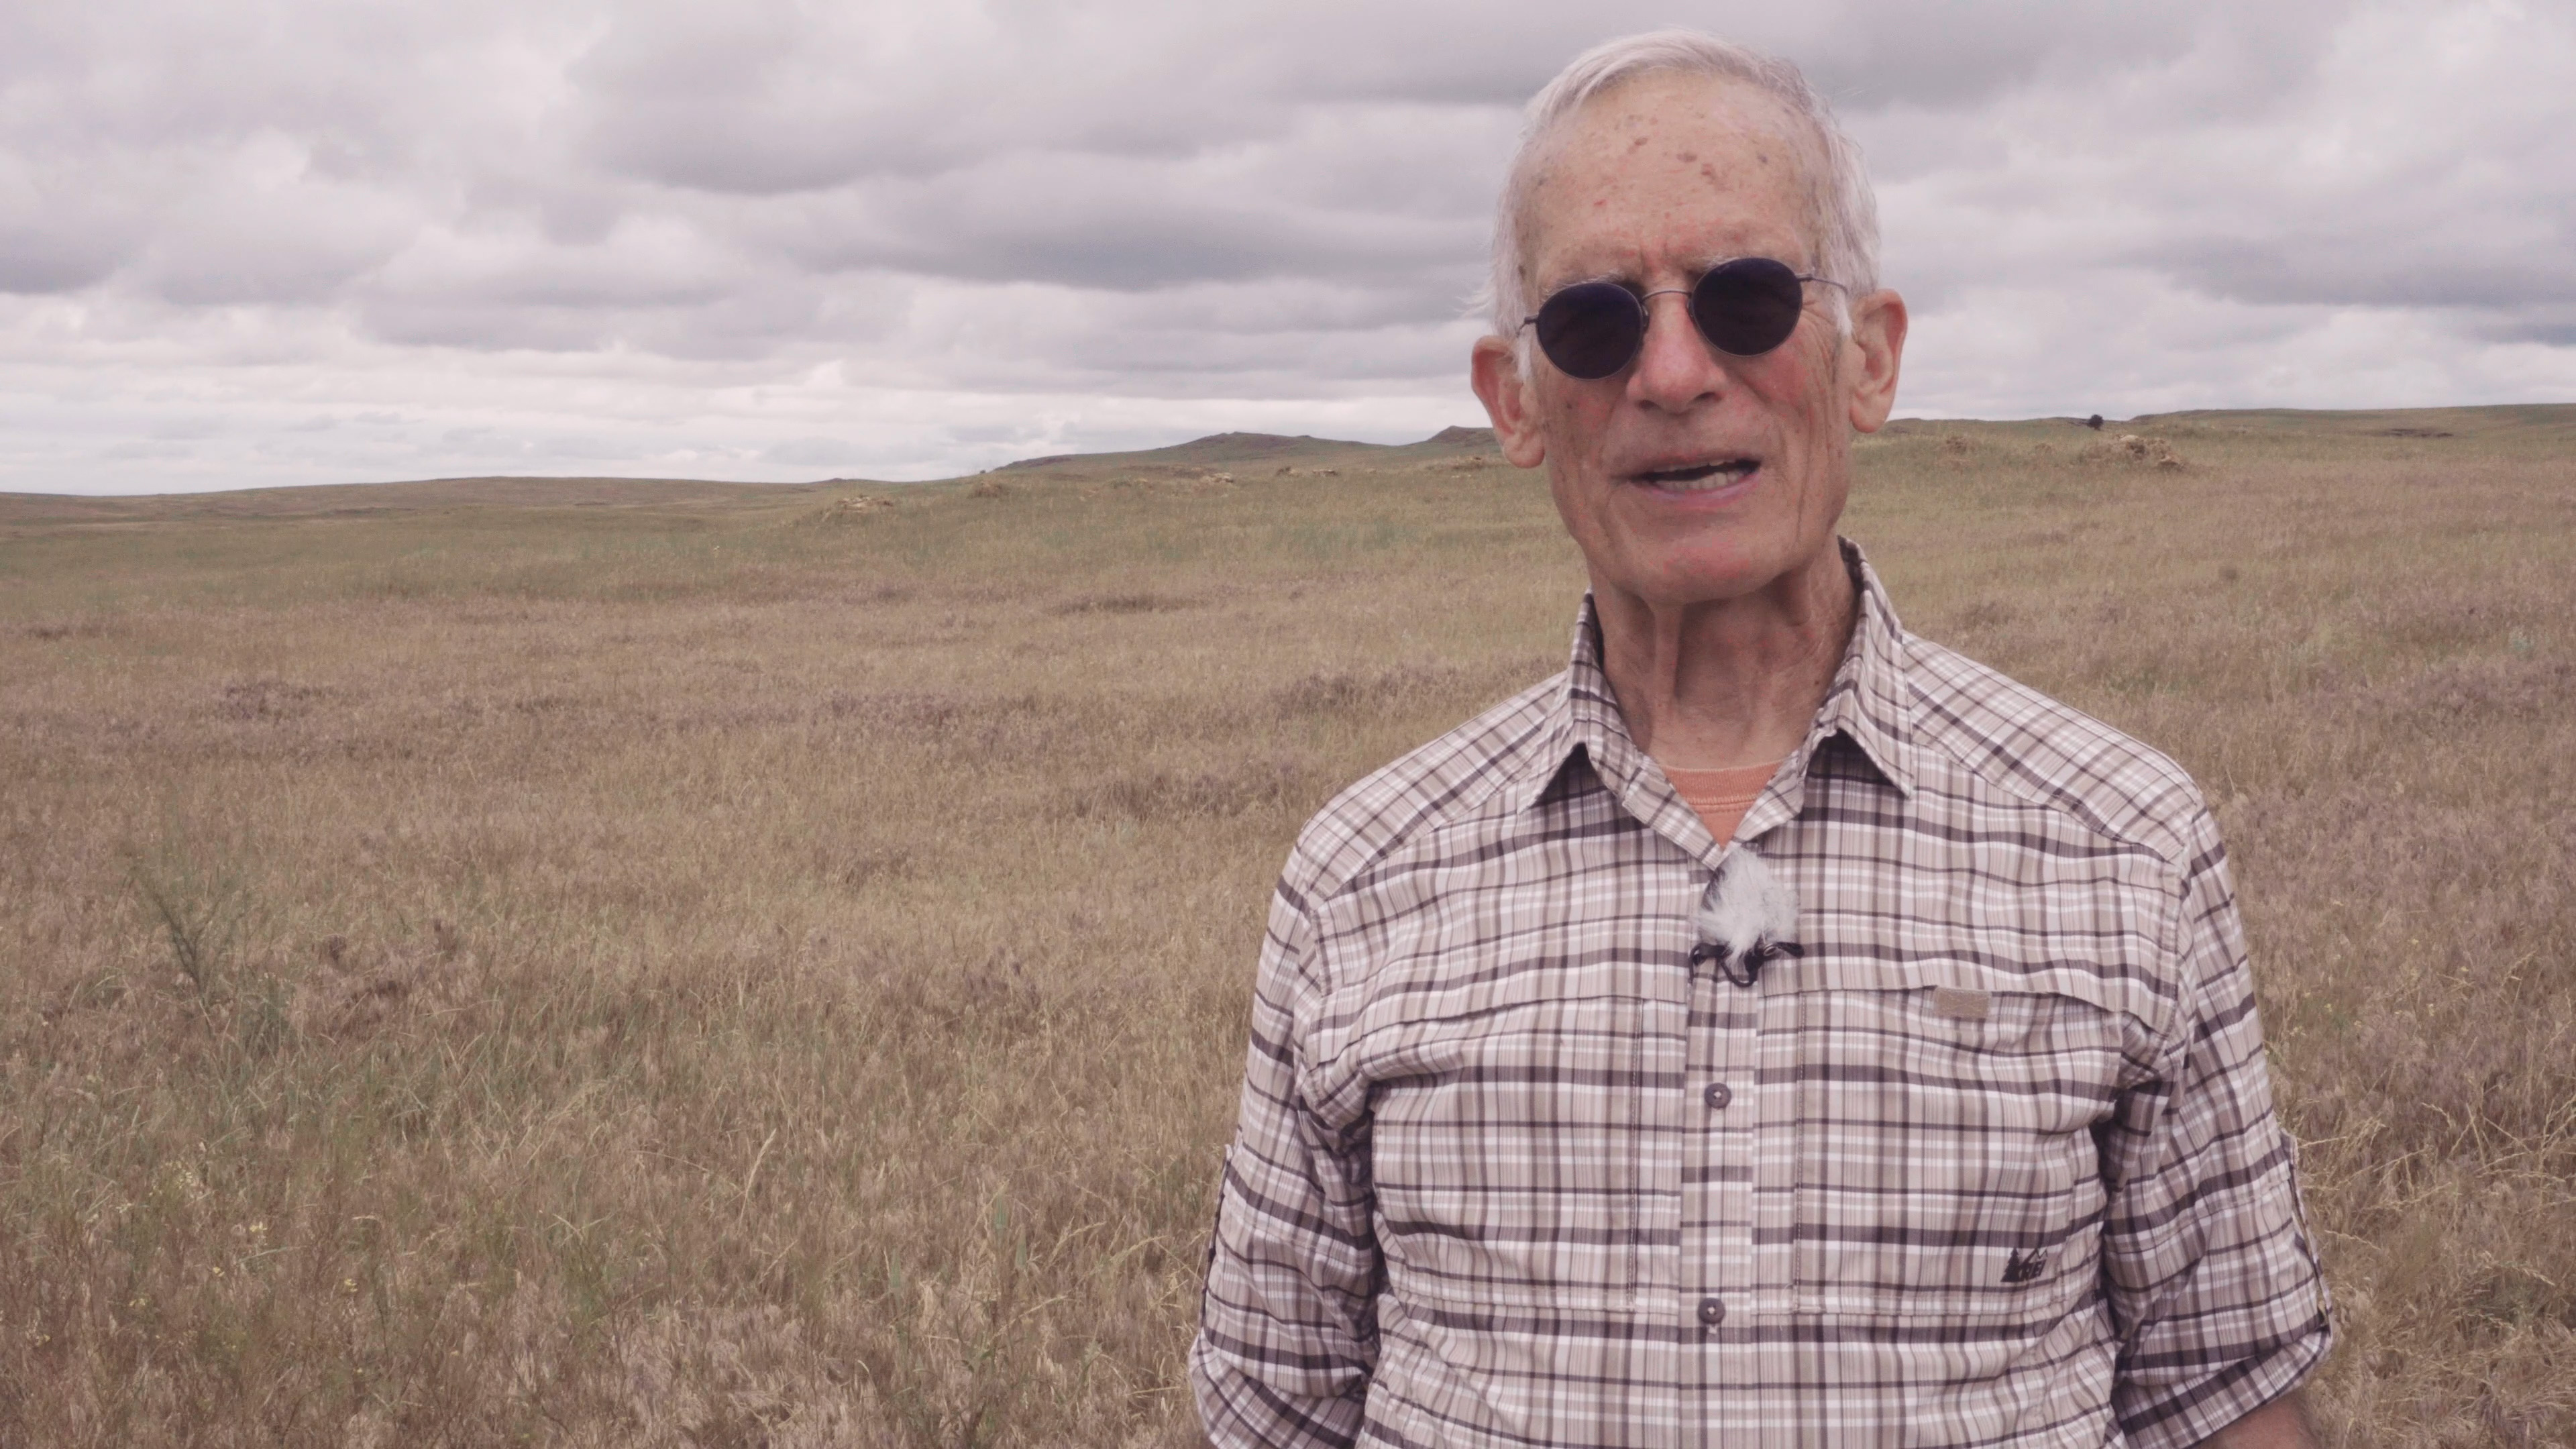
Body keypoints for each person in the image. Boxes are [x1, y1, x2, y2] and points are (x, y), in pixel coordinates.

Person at [1189, 29, 2332, 1449]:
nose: (1672, 372)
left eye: (1744, 299)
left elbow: (2223, 1401)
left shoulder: (2124, 846)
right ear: (1515, 399)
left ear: (1871, 360)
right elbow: (1272, 1411)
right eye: (1595, 324)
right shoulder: (1358, 878)